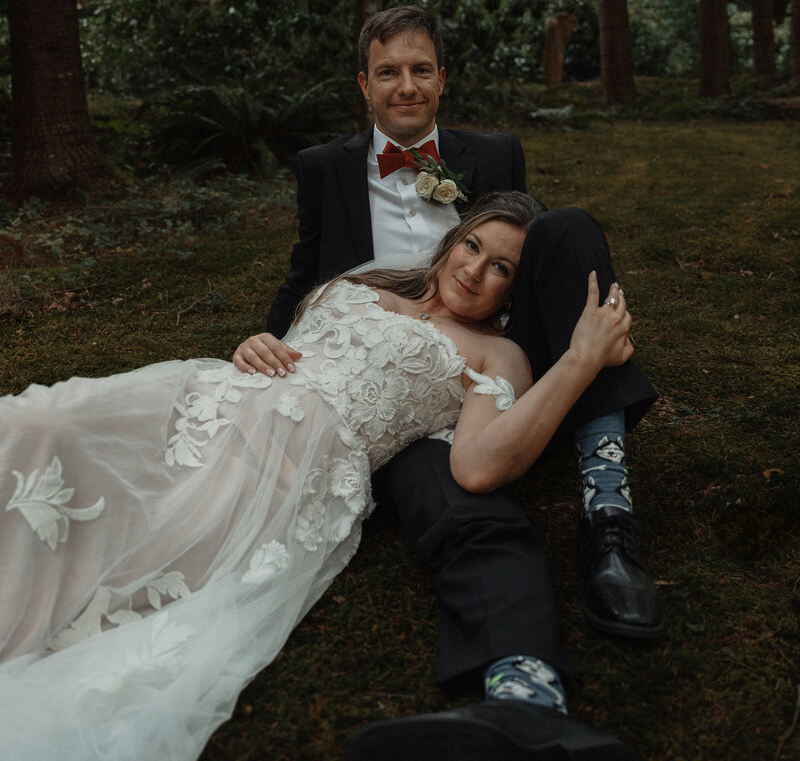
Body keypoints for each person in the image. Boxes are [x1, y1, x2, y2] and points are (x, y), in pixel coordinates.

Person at [0, 195, 638, 761]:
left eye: (501, 267)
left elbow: (477, 466)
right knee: (42, 423)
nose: (474, 270)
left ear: (513, 290)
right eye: (472, 246)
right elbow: (296, 346)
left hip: (286, 469)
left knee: (139, 559)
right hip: (208, 401)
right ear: (451, 240)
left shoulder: (496, 354)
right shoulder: (361, 283)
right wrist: (256, 342)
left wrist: (580, 361)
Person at [234, 5, 662, 760]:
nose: (407, 86)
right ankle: (527, 691)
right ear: (364, 86)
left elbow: (520, 253)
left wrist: (577, 328)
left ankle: (604, 516)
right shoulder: (324, 167)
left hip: (481, 360)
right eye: (389, 72)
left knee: (566, 229)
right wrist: (259, 340)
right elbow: (305, 275)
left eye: (421, 69)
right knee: (463, 503)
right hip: (377, 377)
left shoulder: (493, 154)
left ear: (442, 79)